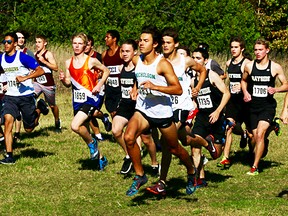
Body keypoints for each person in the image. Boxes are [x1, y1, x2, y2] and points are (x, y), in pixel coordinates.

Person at [124, 26, 197, 196]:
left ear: (155, 44)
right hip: (143, 109)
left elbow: (177, 89)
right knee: (128, 137)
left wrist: (154, 86)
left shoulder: (162, 64)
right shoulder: (137, 60)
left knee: (174, 149)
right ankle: (140, 175)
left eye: (145, 40)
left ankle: (191, 171)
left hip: (162, 112)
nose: (141, 43)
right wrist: (135, 87)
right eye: (140, 40)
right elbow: (140, 75)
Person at [146, 27, 207, 196]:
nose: (165, 46)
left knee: (167, 143)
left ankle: (162, 183)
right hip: (165, 107)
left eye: (168, 43)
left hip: (182, 106)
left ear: (176, 44)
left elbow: (202, 70)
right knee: (184, 140)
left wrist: (198, 87)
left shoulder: (184, 60)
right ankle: (206, 142)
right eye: (163, 43)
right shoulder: (158, 61)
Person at [60, 33, 110, 170]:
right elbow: (69, 83)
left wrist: (99, 85)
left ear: (85, 45)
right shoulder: (68, 62)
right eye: (74, 43)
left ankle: (93, 142)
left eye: (80, 43)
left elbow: (106, 71)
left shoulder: (91, 61)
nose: (76, 46)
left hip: (90, 98)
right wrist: (64, 80)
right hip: (77, 100)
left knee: (75, 126)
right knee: (83, 130)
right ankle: (101, 158)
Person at [0, 32, 49, 164]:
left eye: (9, 42)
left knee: (29, 129)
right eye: (4, 42)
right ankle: (9, 156)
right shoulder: (1, 58)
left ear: (15, 44)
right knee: (8, 121)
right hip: (10, 96)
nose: (6, 44)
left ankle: (39, 108)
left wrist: (25, 78)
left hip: (25, 96)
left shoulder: (23, 57)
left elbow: (40, 70)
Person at [241, 38, 288, 175]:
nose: (257, 52)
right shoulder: (249, 66)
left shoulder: (275, 67)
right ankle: (272, 127)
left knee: (260, 135)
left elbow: (286, 84)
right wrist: (245, 92)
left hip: (267, 107)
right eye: (255, 50)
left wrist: (276, 90)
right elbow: (243, 81)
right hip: (253, 106)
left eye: (260, 50)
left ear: (267, 50)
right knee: (255, 138)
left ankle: (255, 167)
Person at [187, 47, 231, 185]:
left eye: (198, 58)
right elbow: (196, 104)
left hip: (216, 117)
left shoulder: (211, 75)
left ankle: (211, 144)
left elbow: (227, 93)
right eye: (193, 58)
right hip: (202, 118)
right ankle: (200, 179)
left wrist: (218, 111)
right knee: (194, 146)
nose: (195, 61)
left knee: (216, 154)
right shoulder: (193, 80)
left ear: (205, 60)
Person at [217, 36, 252, 169]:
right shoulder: (228, 63)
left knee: (251, 133)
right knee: (229, 127)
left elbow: (252, 82)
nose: (233, 49)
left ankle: (250, 151)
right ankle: (226, 158)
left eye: (236, 47)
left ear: (242, 48)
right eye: (232, 47)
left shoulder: (246, 63)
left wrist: (243, 88)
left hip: (245, 101)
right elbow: (228, 80)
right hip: (233, 101)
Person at [84, 35, 112, 141]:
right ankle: (98, 135)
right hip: (87, 88)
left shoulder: (98, 57)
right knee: (88, 111)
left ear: (91, 45)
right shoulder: (81, 57)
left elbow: (105, 69)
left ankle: (104, 117)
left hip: (99, 87)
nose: (85, 46)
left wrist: (100, 75)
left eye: (87, 44)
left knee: (93, 111)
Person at [33, 34, 61, 132]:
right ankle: (36, 116)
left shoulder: (48, 54)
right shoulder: (35, 54)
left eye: (39, 42)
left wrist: (44, 61)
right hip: (37, 83)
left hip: (48, 84)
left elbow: (56, 68)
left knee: (52, 105)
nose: (37, 44)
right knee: (30, 99)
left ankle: (57, 121)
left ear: (45, 43)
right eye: (36, 42)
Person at [13, 31, 37, 143]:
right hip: (12, 86)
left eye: (23, 38)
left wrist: (28, 75)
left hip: (26, 86)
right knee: (15, 112)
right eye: (19, 38)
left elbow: (36, 68)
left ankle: (39, 109)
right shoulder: (8, 53)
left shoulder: (28, 53)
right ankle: (16, 134)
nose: (21, 40)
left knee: (26, 122)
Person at [102, 30, 125, 119]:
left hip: (120, 88)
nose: (105, 39)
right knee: (112, 111)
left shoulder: (121, 52)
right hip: (109, 88)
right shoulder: (104, 54)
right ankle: (117, 131)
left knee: (117, 112)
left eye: (108, 37)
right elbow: (103, 70)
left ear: (114, 39)